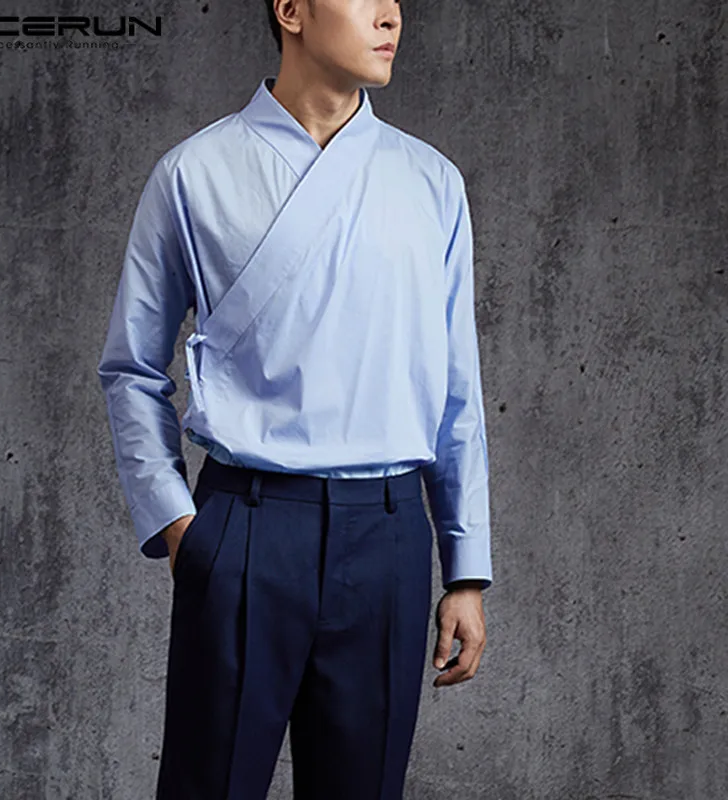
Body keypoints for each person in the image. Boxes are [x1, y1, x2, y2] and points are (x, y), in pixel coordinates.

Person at [97, 0, 493, 797]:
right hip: (246, 526)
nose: (391, 15)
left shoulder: (431, 182)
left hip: (387, 535)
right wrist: (180, 527)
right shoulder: (194, 172)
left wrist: (466, 569)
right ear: (291, 10)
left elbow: (456, 386)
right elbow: (132, 368)